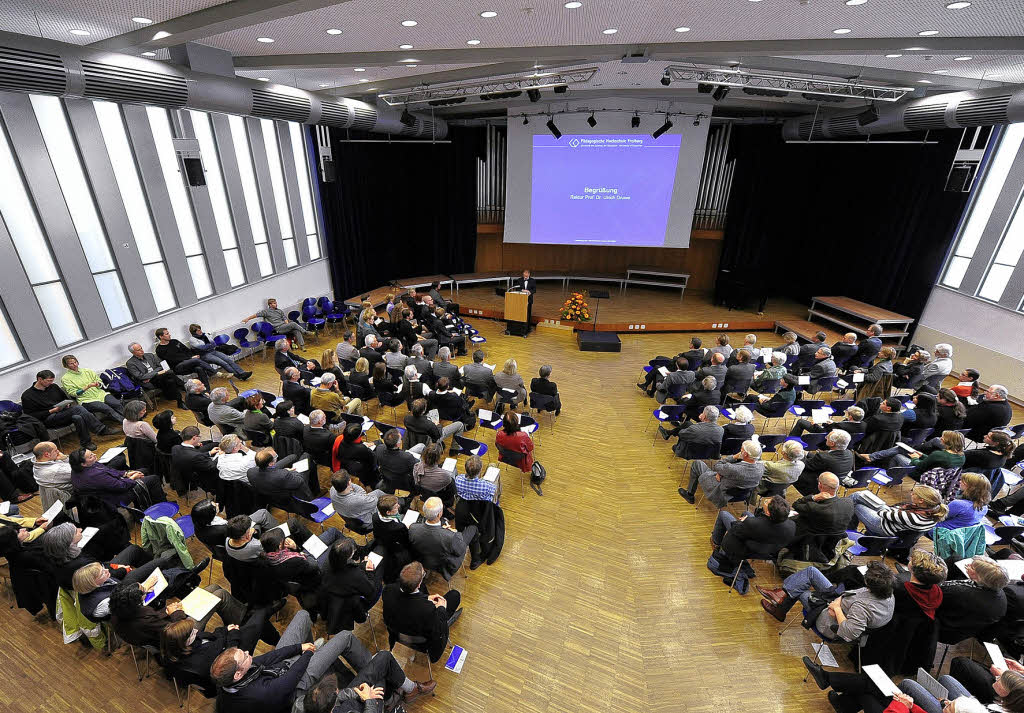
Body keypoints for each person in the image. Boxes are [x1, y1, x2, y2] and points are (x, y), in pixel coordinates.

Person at [210, 609, 388, 713]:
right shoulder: (259, 694)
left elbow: (267, 658)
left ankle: (315, 650)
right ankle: (371, 665)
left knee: (302, 615)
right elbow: (291, 679)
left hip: (277, 669)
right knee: (345, 637)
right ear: (238, 674)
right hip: (294, 687)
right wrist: (308, 653)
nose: (248, 652)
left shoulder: (227, 679)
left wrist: (299, 647)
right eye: (244, 656)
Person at [757, 560, 897, 640]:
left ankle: (781, 605)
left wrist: (836, 608)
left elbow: (849, 633)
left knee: (800, 589)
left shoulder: (862, 607)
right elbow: (854, 595)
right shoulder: (887, 593)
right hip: (838, 601)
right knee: (811, 572)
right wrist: (840, 599)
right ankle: (782, 595)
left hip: (828, 621)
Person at [160, 606, 279, 694]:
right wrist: (233, 633)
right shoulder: (205, 656)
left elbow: (212, 636)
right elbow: (229, 654)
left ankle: (263, 619)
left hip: (222, 652)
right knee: (258, 620)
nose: (196, 630)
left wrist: (225, 630)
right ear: (185, 641)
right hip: (229, 667)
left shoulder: (172, 646)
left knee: (258, 621)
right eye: (192, 632)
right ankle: (276, 637)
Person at [382, 561, 463, 663]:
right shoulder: (429, 610)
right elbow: (438, 627)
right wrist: (441, 608)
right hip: (420, 640)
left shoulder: (388, 590)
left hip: (397, 632)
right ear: (418, 584)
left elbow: (409, 601)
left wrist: (425, 598)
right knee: (454, 595)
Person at [301, 654, 436, 712]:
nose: (338, 690)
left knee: (383, 658)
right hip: (367, 708)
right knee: (382, 673)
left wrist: (358, 693)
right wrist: (369, 700)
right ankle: (403, 694)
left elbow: (339, 695)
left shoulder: (309, 705)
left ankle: (395, 697)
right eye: (335, 691)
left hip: (356, 701)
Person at [21, 370, 114, 450]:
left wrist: (66, 404)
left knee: (78, 417)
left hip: (64, 413)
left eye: (52, 381)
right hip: (48, 419)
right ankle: (101, 429)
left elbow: (64, 399)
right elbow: (31, 416)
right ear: (40, 379)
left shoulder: (53, 387)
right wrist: (52, 411)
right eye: (48, 381)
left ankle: (86, 443)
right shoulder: (28, 396)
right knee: (78, 409)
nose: (51, 383)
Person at [711, 494, 795, 572]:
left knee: (723, 514)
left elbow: (735, 530)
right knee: (747, 513)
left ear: (768, 513)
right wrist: (747, 521)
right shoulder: (792, 525)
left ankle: (716, 543)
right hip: (768, 552)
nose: (765, 500)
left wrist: (743, 522)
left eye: (766, 502)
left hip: (746, 549)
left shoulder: (752, 523)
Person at [318, 538, 384, 635]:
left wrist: (362, 566)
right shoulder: (355, 575)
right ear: (347, 557)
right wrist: (370, 571)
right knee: (379, 574)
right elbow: (370, 592)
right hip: (353, 606)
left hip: (331, 601)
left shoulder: (325, 563)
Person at [938, 556, 1009, 645]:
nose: (967, 565)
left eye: (972, 567)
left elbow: (935, 595)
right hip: (963, 626)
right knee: (955, 560)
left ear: (979, 577)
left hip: (945, 628)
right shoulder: (999, 593)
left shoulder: (959, 593)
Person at [69, 447, 165, 508]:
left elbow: (108, 470)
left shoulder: (81, 468)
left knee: (143, 470)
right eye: (90, 456)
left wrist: (126, 474)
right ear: (83, 464)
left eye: (92, 453)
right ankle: (162, 506)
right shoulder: (94, 475)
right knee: (154, 479)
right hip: (114, 498)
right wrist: (133, 478)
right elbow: (121, 486)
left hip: (113, 488)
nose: (94, 455)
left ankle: (149, 500)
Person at [678, 439, 764, 507]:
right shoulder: (761, 467)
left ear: (745, 454)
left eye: (741, 449)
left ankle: (689, 494)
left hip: (720, 491)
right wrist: (722, 473)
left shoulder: (732, 469)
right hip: (741, 494)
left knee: (697, 464)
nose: (740, 450)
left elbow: (717, 466)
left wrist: (734, 457)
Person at [408, 496, 475, 581]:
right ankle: (476, 558)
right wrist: (454, 533)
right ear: (439, 514)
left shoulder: (413, 528)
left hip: (423, 561)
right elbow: (460, 551)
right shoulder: (451, 536)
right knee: (473, 528)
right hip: (443, 566)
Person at [850, 484, 948, 537]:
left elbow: (882, 513)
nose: (911, 494)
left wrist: (879, 506)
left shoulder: (914, 517)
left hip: (882, 526)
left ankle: (849, 529)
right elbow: (894, 511)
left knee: (856, 506)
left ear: (921, 500)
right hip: (893, 519)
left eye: (914, 494)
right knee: (860, 495)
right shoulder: (934, 511)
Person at [858, 429, 966, 473]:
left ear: (948, 442)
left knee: (897, 455)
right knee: (901, 448)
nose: (940, 439)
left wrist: (915, 459)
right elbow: (933, 461)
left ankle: (889, 475)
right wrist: (921, 455)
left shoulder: (939, 454)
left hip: (922, 473)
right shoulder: (962, 456)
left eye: (943, 438)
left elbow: (920, 466)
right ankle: (871, 457)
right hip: (934, 473)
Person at [60, 354, 124, 423]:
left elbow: (99, 381)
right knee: (107, 408)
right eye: (71, 364)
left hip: (100, 394)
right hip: (86, 400)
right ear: (66, 366)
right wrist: (87, 387)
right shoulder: (65, 378)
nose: (75, 365)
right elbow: (73, 393)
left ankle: (131, 418)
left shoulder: (87, 371)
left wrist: (98, 384)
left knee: (117, 404)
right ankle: (125, 423)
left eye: (75, 362)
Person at [792, 472, 856, 540]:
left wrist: (814, 497)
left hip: (811, 538)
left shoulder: (814, 507)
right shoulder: (849, 502)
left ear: (820, 485)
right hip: (837, 539)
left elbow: (796, 504)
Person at [793, 429, 855, 496]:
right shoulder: (849, 453)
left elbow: (806, 464)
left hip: (817, 484)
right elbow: (820, 460)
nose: (825, 438)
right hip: (834, 483)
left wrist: (799, 453)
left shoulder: (823, 457)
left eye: (827, 437)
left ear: (832, 443)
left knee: (793, 469)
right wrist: (807, 453)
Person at [155, 327, 219, 390]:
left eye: (168, 333)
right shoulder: (159, 349)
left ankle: (206, 390)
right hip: (177, 367)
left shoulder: (175, 341)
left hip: (189, 363)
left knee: (199, 368)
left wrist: (193, 356)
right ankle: (214, 372)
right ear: (161, 336)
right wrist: (190, 358)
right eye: (167, 334)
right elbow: (173, 360)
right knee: (195, 360)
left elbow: (187, 350)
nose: (169, 335)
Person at [126, 342, 185, 408]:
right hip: (149, 381)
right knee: (169, 373)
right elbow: (140, 376)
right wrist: (157, 373)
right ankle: (184, 386)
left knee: (170, 380)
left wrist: (152, 374)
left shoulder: (150, 355)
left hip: (158, 377)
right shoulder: (130, 363)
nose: (141, 350)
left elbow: (160, 366)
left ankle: (179, 401)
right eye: (138, 350)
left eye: (141, 348)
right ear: (133, 352)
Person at [187, 323, 252, 380]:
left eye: (200, 329)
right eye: (198, 330)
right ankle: (239, 376)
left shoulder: (205, 335)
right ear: (194, 332)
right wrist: (208, 345)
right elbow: (202, 348)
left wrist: (208, 346)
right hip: (205, 355)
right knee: (223, 363)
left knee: (228, 360)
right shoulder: (192, 339)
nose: (200, 331)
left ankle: (242, 373)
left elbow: (214, 344)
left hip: (213, 351)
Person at [248, 448, 313, 501]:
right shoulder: (283, 475)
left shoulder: (250, 472)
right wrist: (290, 471)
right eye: (275, 456)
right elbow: (300, 480)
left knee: (293, 457)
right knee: (306, 455)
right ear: (271, 464)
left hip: (271, 495)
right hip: (288, 496)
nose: (277, 456)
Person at [243, 297, 310, 348]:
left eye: (276, 303)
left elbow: (285, 319)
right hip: (277, 329)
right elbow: (256, 315)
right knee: (293, 323)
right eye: (274, 303)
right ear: (270, 305)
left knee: (296, 330)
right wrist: (247, 319)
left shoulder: (279, 311)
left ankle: (302, 346)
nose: (276, 304)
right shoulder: (266, 312)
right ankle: (305, 332)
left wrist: (288, 326)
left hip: (284, 327)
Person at [171, 426, 221, 493]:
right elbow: (212, 466)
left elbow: (194, 457)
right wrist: (219, 455)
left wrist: (209, 453)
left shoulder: (175, 448)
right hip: (199, 477)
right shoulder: (195, 456)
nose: (200, 438)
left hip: (183, 473)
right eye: (199, 436)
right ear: (194, 438)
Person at [331, 423, 378, 488]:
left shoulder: (339, 439)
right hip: (359, 469)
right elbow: (372, 461)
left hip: (346, 465)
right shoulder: (361, 448)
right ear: (357, 436)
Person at [32, 441, 75, 507]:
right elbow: (80, 471)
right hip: (74, 495)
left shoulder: (37, 464)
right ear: (47, 454)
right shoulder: (56, 470)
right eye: (55, 450)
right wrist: (66, 459)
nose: (58, 452)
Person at [375, 428, 418, 493]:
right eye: (401, 439)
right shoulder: (407, 457)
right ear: (398, 444)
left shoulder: (379, 448)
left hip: (387, 477)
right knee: (421, 446)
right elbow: (414, 470)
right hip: (402, 481)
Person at [790, 405, 866, 438]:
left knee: (801, 422)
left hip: (825, 437)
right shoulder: (864, 425)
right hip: (847, 442)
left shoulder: (841, 425)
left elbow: (822, 431)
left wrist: (815, 424)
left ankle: (792, 439)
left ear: (850, 417)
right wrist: (832, 423)